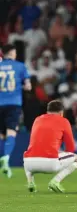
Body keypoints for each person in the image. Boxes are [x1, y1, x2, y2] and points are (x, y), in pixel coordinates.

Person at [23, 100, 77, 193]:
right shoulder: (64, 121)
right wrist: (61, 153)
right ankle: (56, 181)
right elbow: (71, 148)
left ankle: (30, 182)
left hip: (29, 164)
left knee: (27, 155)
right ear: (61, 113)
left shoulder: (37, 119)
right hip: (50, 163)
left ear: (47, 111)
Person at [0, 44, 31, 178]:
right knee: (11, 132)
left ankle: (3, 158)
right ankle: (6, 158)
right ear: (12, 53)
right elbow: (28, 86)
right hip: (14, 103)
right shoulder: (20, 66)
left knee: (1, 135)